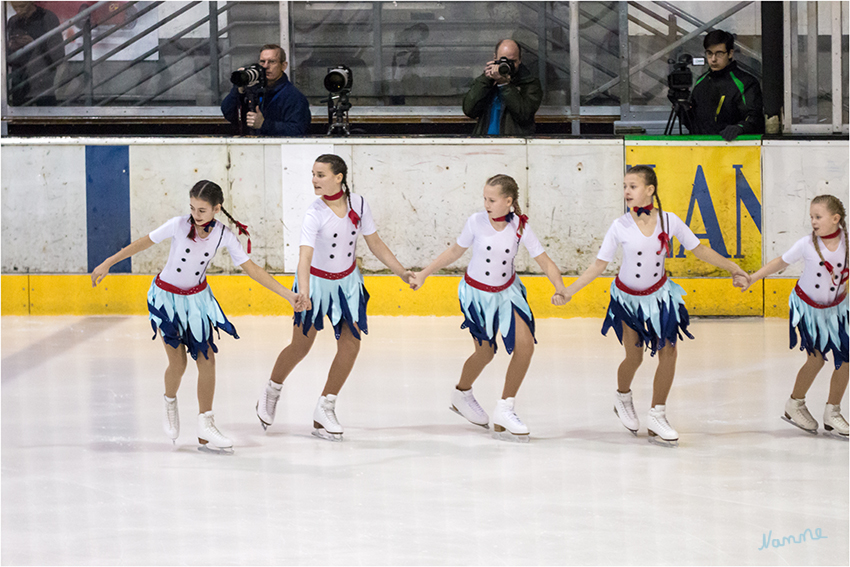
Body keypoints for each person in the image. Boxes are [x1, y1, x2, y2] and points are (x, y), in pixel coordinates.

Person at [91, 180, 305, 453]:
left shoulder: (224, 235)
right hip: (167, 299)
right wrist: (108, 262)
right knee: (178, 365)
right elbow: (142, 243)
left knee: (207, 360)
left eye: (202, 210)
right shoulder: (178, 225)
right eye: (192, 208)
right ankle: (170, 401)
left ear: (217, 209)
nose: (196, 214)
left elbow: (251, 268)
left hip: (197, 302)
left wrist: (287, 295)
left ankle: (206, 424)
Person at [559, 166, 749, 447]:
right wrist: (569, 291)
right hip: (627, 300)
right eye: (624, 186)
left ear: (650, 190)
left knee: (668, 351)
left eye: (633, 186)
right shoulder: (619, 225)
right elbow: (599, 265)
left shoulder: (670, 222)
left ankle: (658, 413)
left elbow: (700, 249)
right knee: (634, 357)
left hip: (660, 297)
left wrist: (733, 267)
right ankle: (622, 396)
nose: (626, 191)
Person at [255, 154, 412, 441]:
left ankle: (325, 406)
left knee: (351, 346)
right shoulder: (314, 212)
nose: (314, 180)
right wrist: (303, 291)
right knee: (300, 347)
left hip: (347, 285)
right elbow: (304, 257)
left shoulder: (359, 204)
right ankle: (272, 389)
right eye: (313, 174)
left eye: (321, 174)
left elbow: (375, 243)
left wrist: (401, 272)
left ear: (339, 177)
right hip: (315, 284)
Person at [409, 174, 568, 442]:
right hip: (477, 295)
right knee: (485, 353)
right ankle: (461, 393)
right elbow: (454, 252)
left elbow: (545, 260)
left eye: (492, 200)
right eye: (484, 198)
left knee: (526, 345)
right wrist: (424, 273)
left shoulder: (520, 227)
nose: (486, 204)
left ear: (508, 201)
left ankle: (506, 407)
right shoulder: (476, 222)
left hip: (507, 293)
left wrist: (560, 287)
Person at [742, 195, 848, 439]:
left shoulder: (847, 242)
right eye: (811, 216)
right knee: (817, 360)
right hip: (808, 309)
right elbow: (780, 261)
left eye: (818, 217)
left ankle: (833, 412)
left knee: (845, 361)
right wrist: (753, 278)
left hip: (837, 310)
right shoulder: (806, 244)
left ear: (835, 219)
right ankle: (795, 403)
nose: (813, 221)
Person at [687, 29, 764, 141]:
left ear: (730, 53)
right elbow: (694, 123)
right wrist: (682, 111)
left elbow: (755, 118)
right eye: (709, 53)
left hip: (734, 149)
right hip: (701, 150)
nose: (713, 59)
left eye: (719, 53)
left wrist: (740, 128)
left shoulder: (746, 83)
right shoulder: (701, 82)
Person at [221, 44, 311, 136]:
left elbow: (299, 130)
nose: (266, 66)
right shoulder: (253, 89)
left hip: (277, 149)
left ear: (283, 66)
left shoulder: (293, 96)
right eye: (262, 62)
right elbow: (229, 114)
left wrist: (264, 124)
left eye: (272, 62)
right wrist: (239, 89)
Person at [462, 39, 543, 136]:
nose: (507, 65)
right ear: (495, 58)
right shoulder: (487, 81)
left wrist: (505, 85)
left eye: (512, 61)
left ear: (520, 60)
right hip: (484, 142)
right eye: (502, 61)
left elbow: (524, 115)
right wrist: (485, 80)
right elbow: (469, 110)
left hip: (514, 144)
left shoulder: (529, 83)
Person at [6, 1, 64, 106]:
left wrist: (34, 44)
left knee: (46, 112)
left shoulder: (47, 18)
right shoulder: (13, 21)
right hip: (20, 80)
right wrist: (11, 48)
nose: (19, 10)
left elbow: (58, 54)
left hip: (43, 77)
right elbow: (9, 59)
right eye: (15, 7)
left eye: (22, 6)